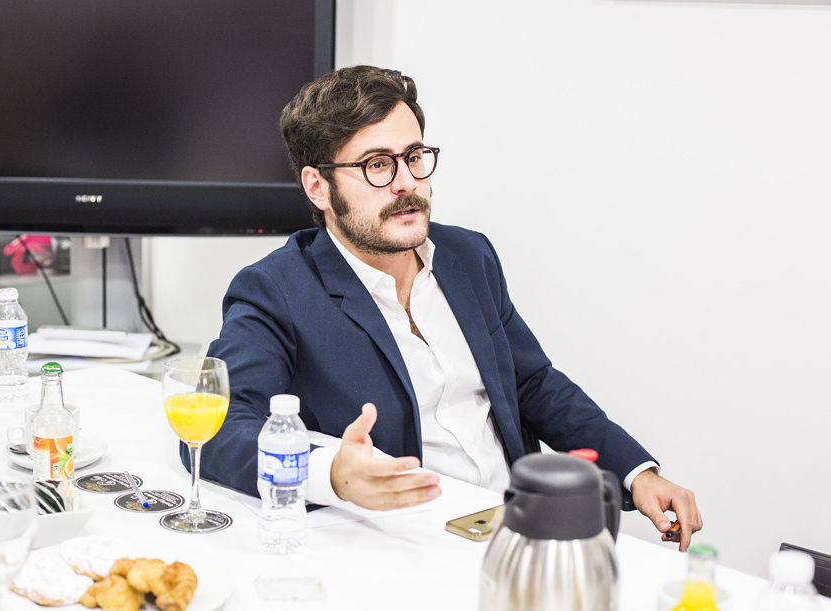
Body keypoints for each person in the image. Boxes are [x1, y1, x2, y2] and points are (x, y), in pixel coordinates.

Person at [197, 65, 704, 550]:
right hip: (400, 541)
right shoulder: (274, 289)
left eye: (414, 156)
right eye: (377, 165)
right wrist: (330, 471)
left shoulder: (469, 256)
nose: (405, 183)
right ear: (318, 187)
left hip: (516, 526)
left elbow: (532, 383)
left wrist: (638, 473)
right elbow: (218, 426)